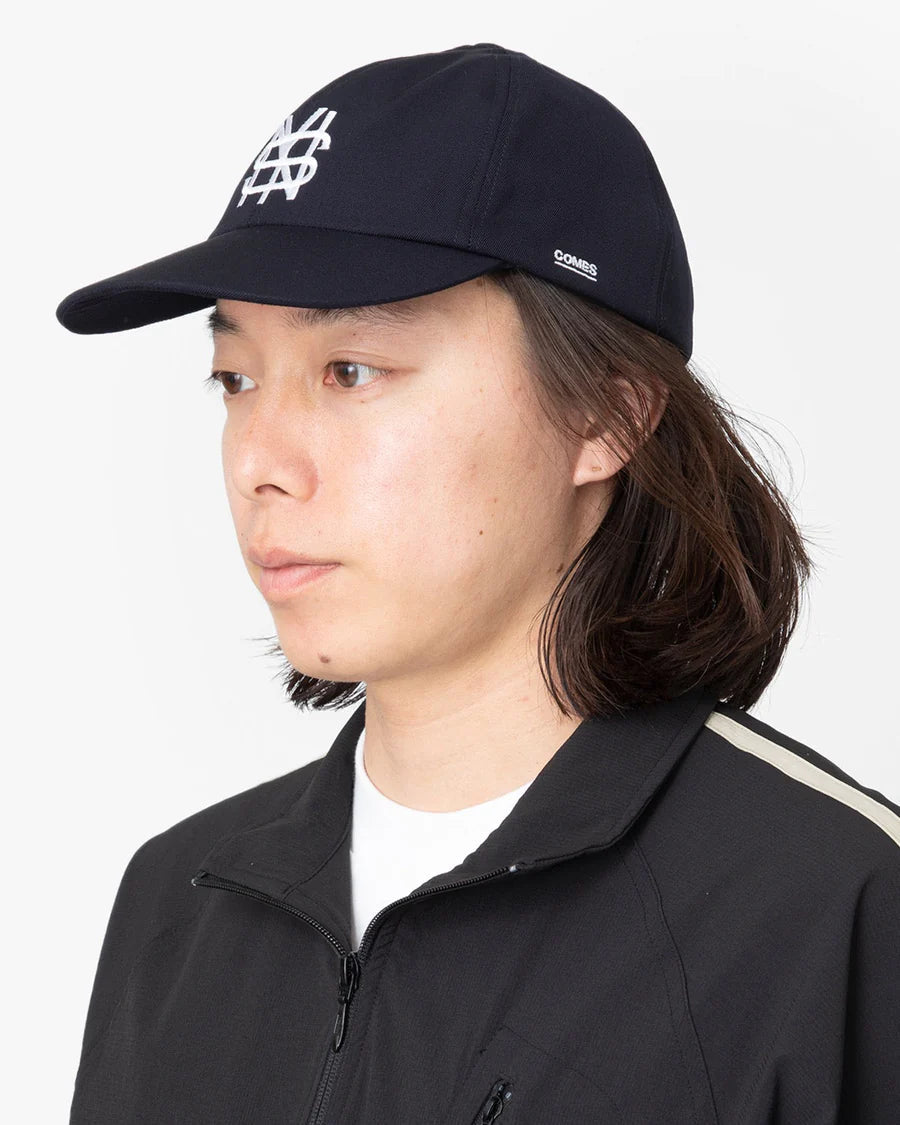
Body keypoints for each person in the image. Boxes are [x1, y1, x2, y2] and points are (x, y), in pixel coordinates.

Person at [56, 42, 899, 1125]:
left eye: (351, 371)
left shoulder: (836, 915)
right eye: (235, 377)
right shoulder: (179, 907)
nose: (259, 459)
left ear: (606, 414)